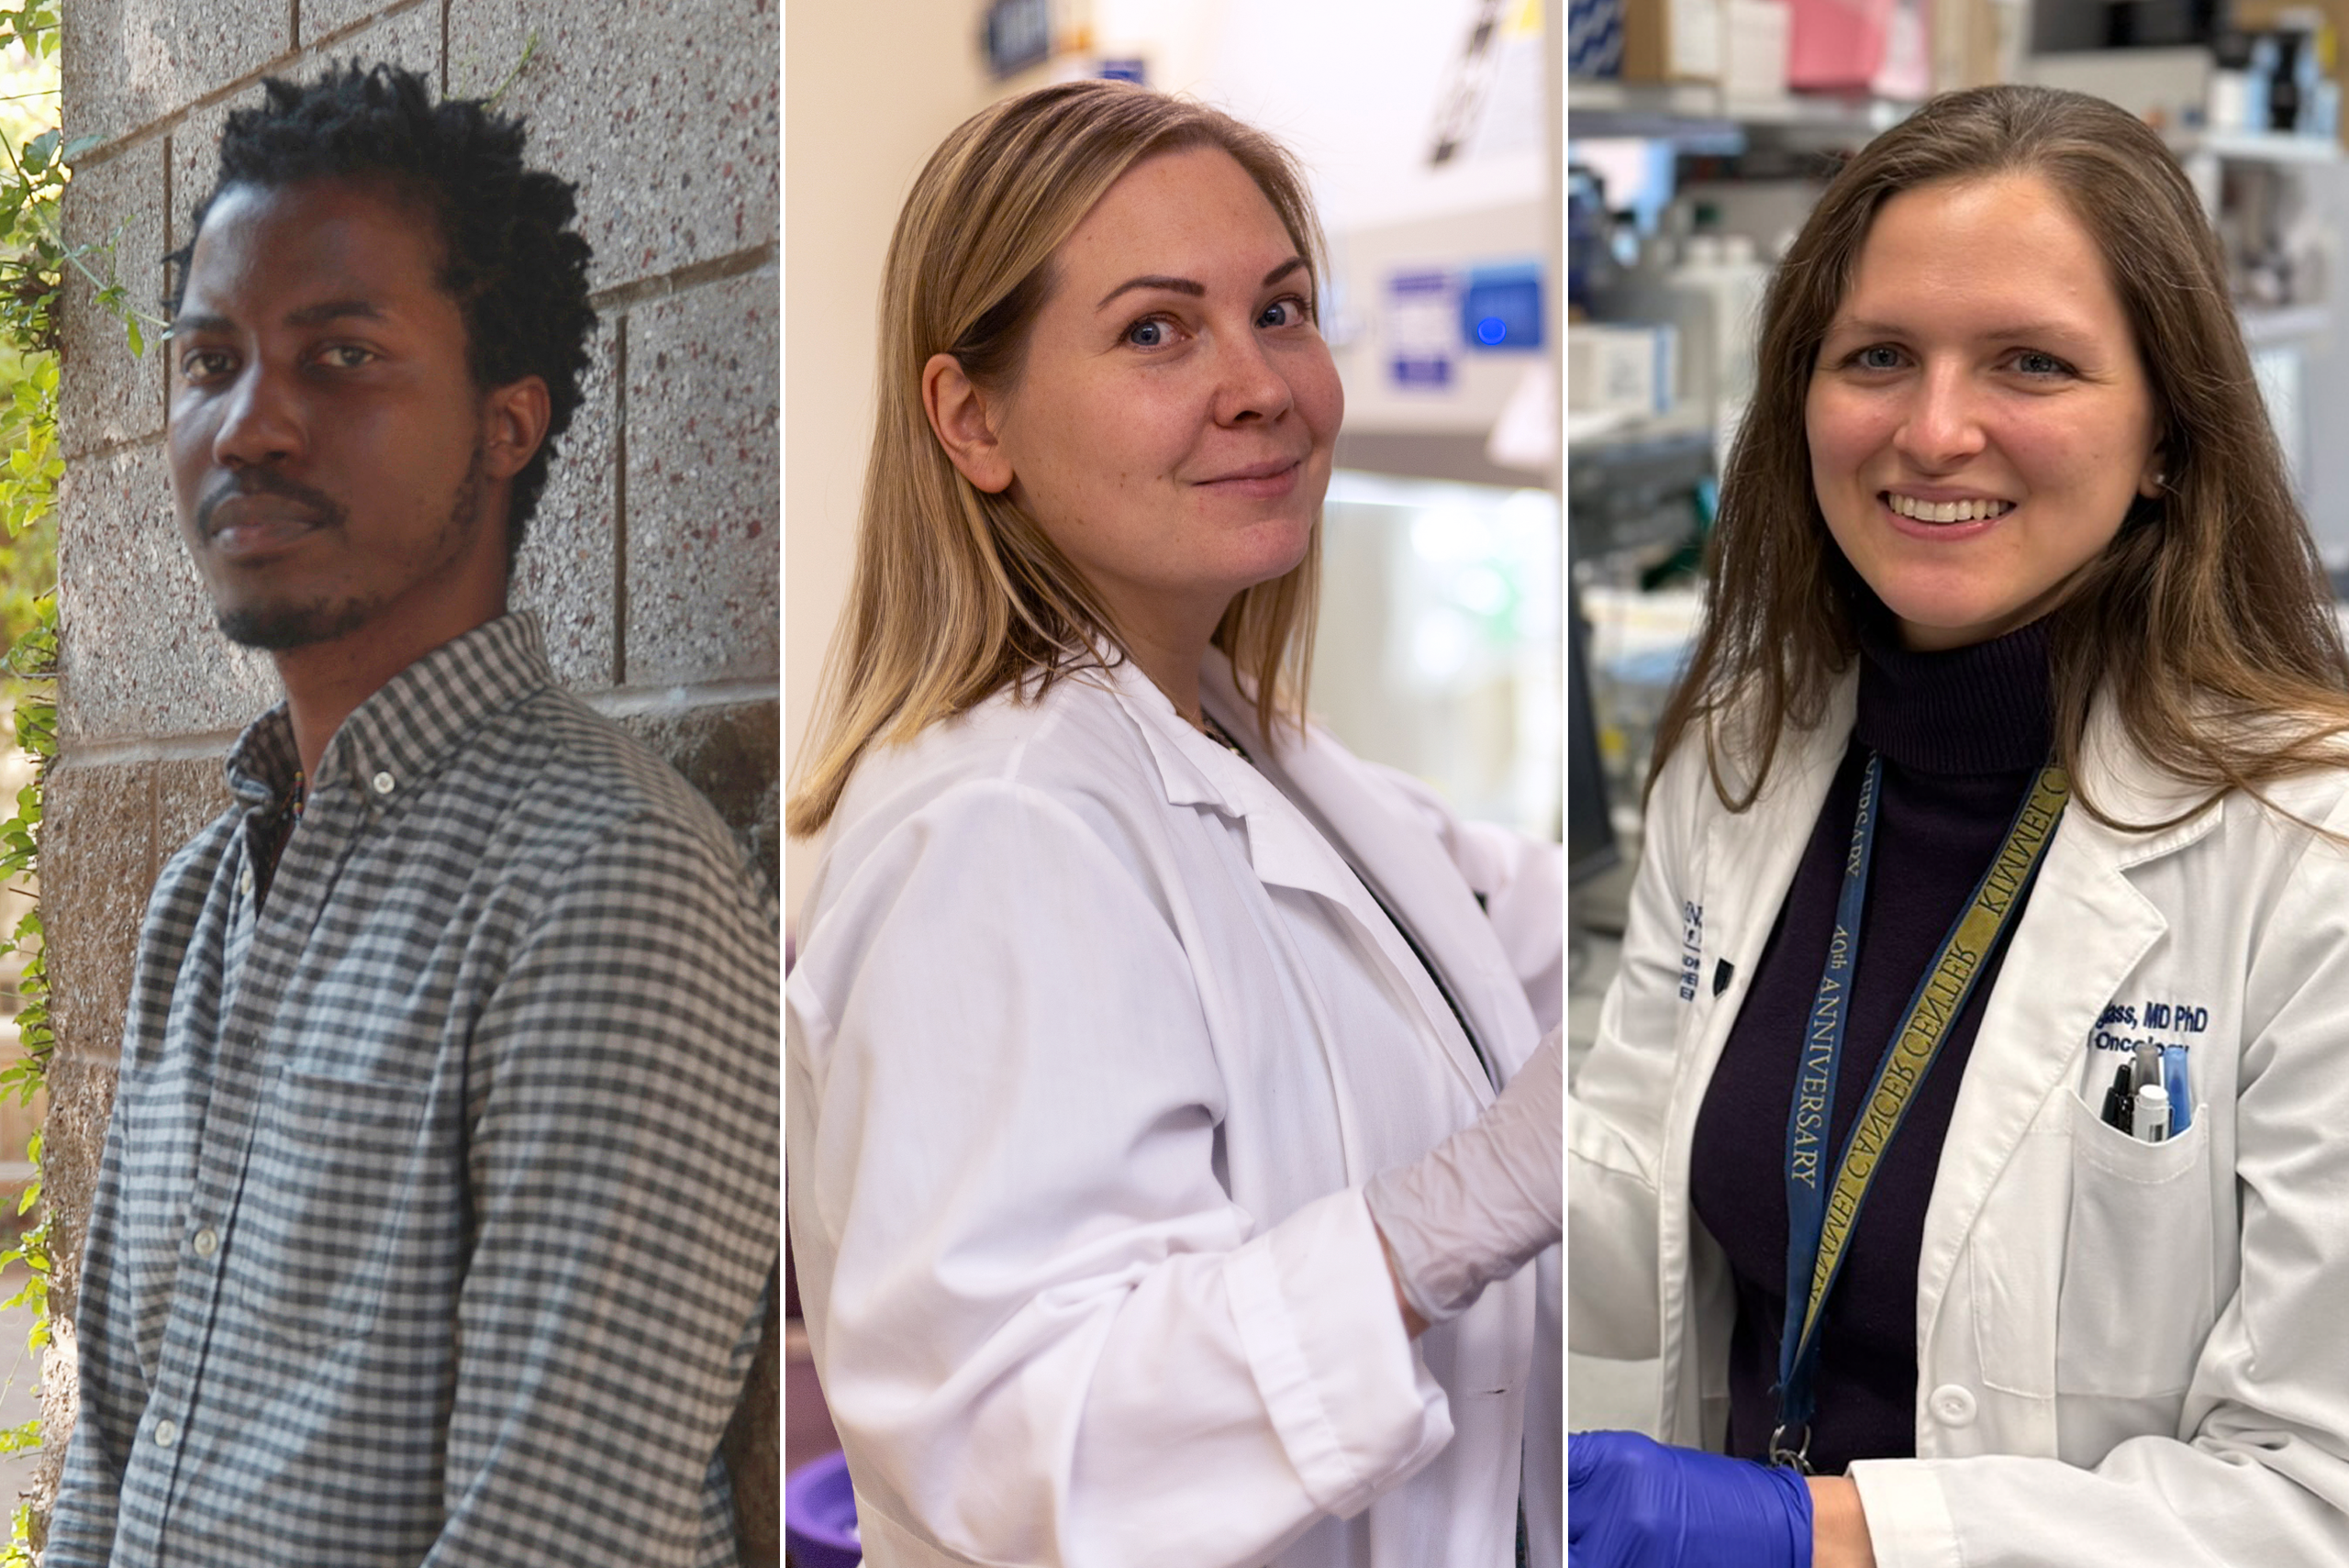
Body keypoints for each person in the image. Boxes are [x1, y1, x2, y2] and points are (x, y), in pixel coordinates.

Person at [1567, 82, 2349, 1567]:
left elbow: (2316, 1498)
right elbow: (1641, 1187)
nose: (1934, 430)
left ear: (2171, 435)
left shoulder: (2311, 857)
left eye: (2032, 364)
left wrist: (1824, 1533)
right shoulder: (1744, 757)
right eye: (1878, 357)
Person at [785, 80, 1563, 1567]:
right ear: (973, 419)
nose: (1261, 383)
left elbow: (1511, 936)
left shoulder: (1247, 747)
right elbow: (1020, 1437)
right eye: (1156, 330)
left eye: (1281, 310)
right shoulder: (1000, 830)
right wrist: (1457, 1213)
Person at [46, 63, 779, 1566]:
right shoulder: (201, 899)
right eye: (208, 361)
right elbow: (112, 1472)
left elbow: (564, 1537)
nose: (248, 426)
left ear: (505, 424)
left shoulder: (607, 883)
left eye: (341, 357)